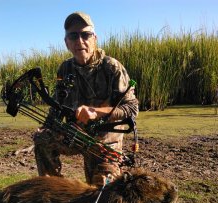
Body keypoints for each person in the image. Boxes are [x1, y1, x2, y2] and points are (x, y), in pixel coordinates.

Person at [33, 12, 139, 186]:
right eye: (73, 35)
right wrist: (46, 126)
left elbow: (132, 108)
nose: (79, 41)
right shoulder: (65, 68)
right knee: (42, 139)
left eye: (85, 35)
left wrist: (96, 112)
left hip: (104, 142)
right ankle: (53, 189)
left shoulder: (112, 67)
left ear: (95, 38)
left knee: (99, 193)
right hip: (75, 134)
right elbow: (56, 106)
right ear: (66, 42)